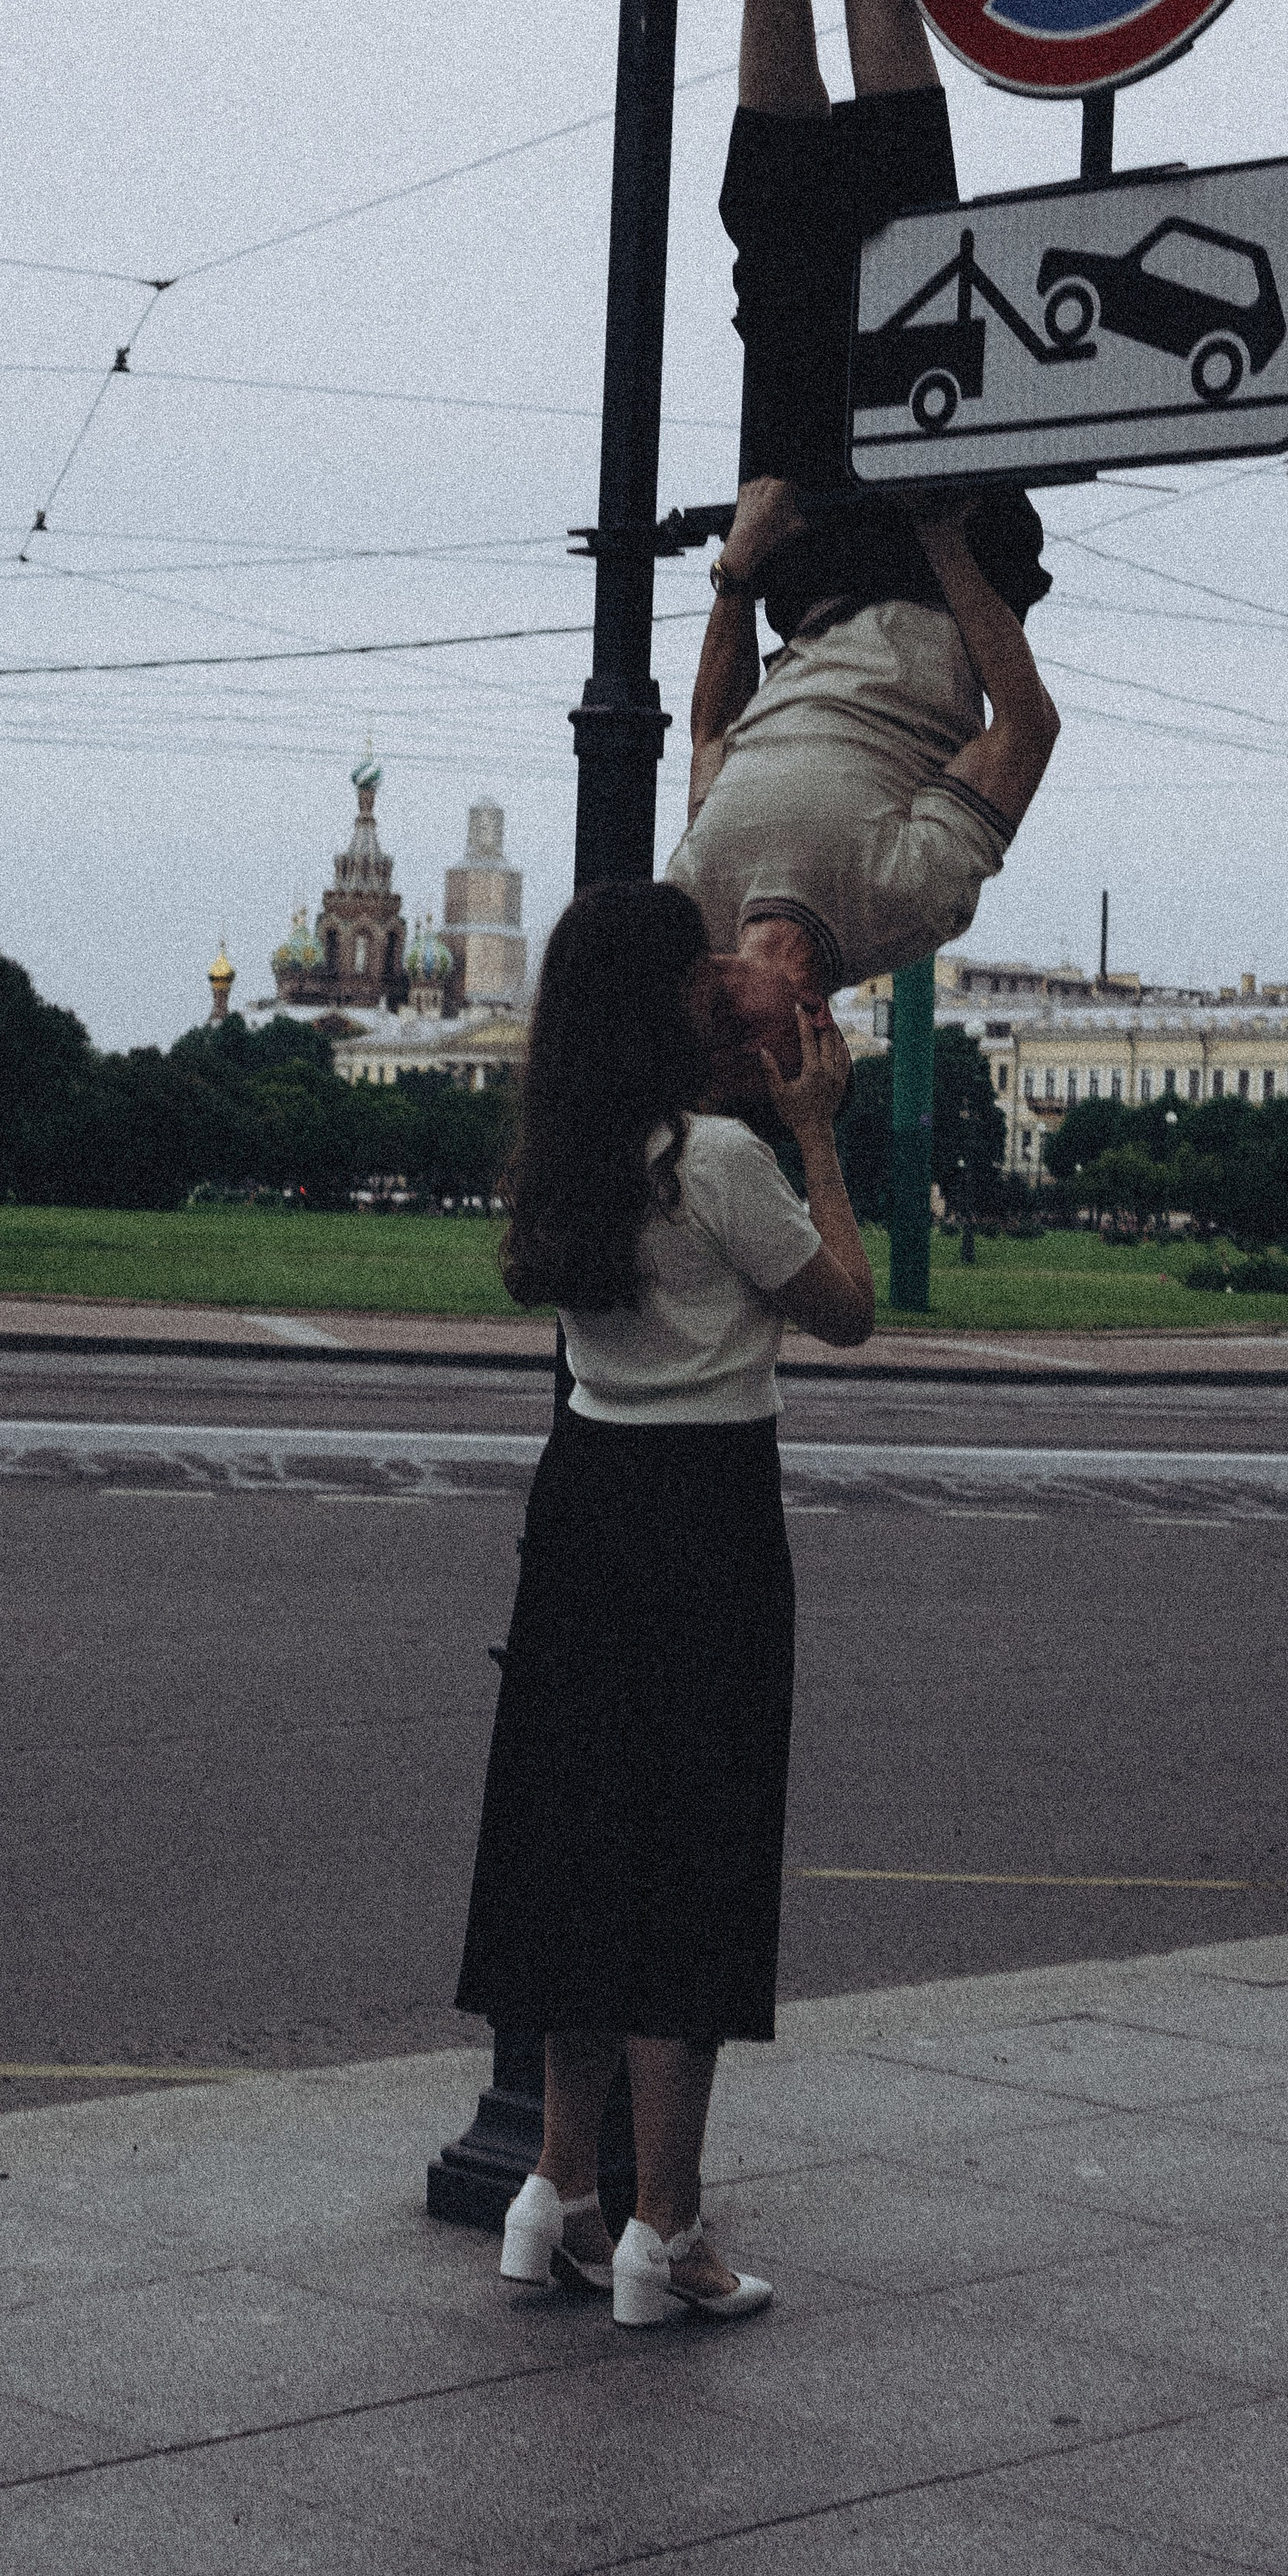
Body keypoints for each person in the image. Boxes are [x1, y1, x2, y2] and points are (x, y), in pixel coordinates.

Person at [454, 879, 874, 2326]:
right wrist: (817, 1131)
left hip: (582, 1502)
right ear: (657, 1001)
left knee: (578, 1844)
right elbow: (848, 1308)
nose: (716, 976)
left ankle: (555, 2194)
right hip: (706, 1512)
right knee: (693, 1859)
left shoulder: (570, 1155)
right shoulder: (719, 1161)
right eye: (694, 963)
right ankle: (667, 2229)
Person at [625, 0, 1062, 1048]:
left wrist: (732, 575)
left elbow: (712, 737)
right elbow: (1026, 731)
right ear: (807, 1016)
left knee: (771, 246)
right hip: (935, 570)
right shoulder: (899, 913)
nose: (715, 994)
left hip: (799, 576)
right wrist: (947, 537)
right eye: (737, 1021)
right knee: (904, 223)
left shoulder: (698, 906)